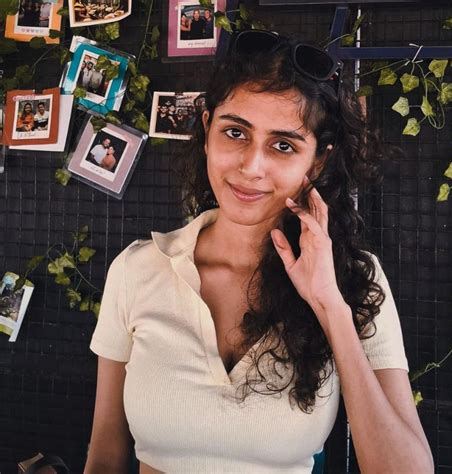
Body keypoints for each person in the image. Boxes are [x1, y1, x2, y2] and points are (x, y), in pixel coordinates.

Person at [85, 30, 434, 474]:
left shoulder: (354, 279)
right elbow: (105, 456)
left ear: (318, 161)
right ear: (207, 130)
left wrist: (329, 305)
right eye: (235, 132)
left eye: (283, 145)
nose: (251, 167)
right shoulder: (138, 269)